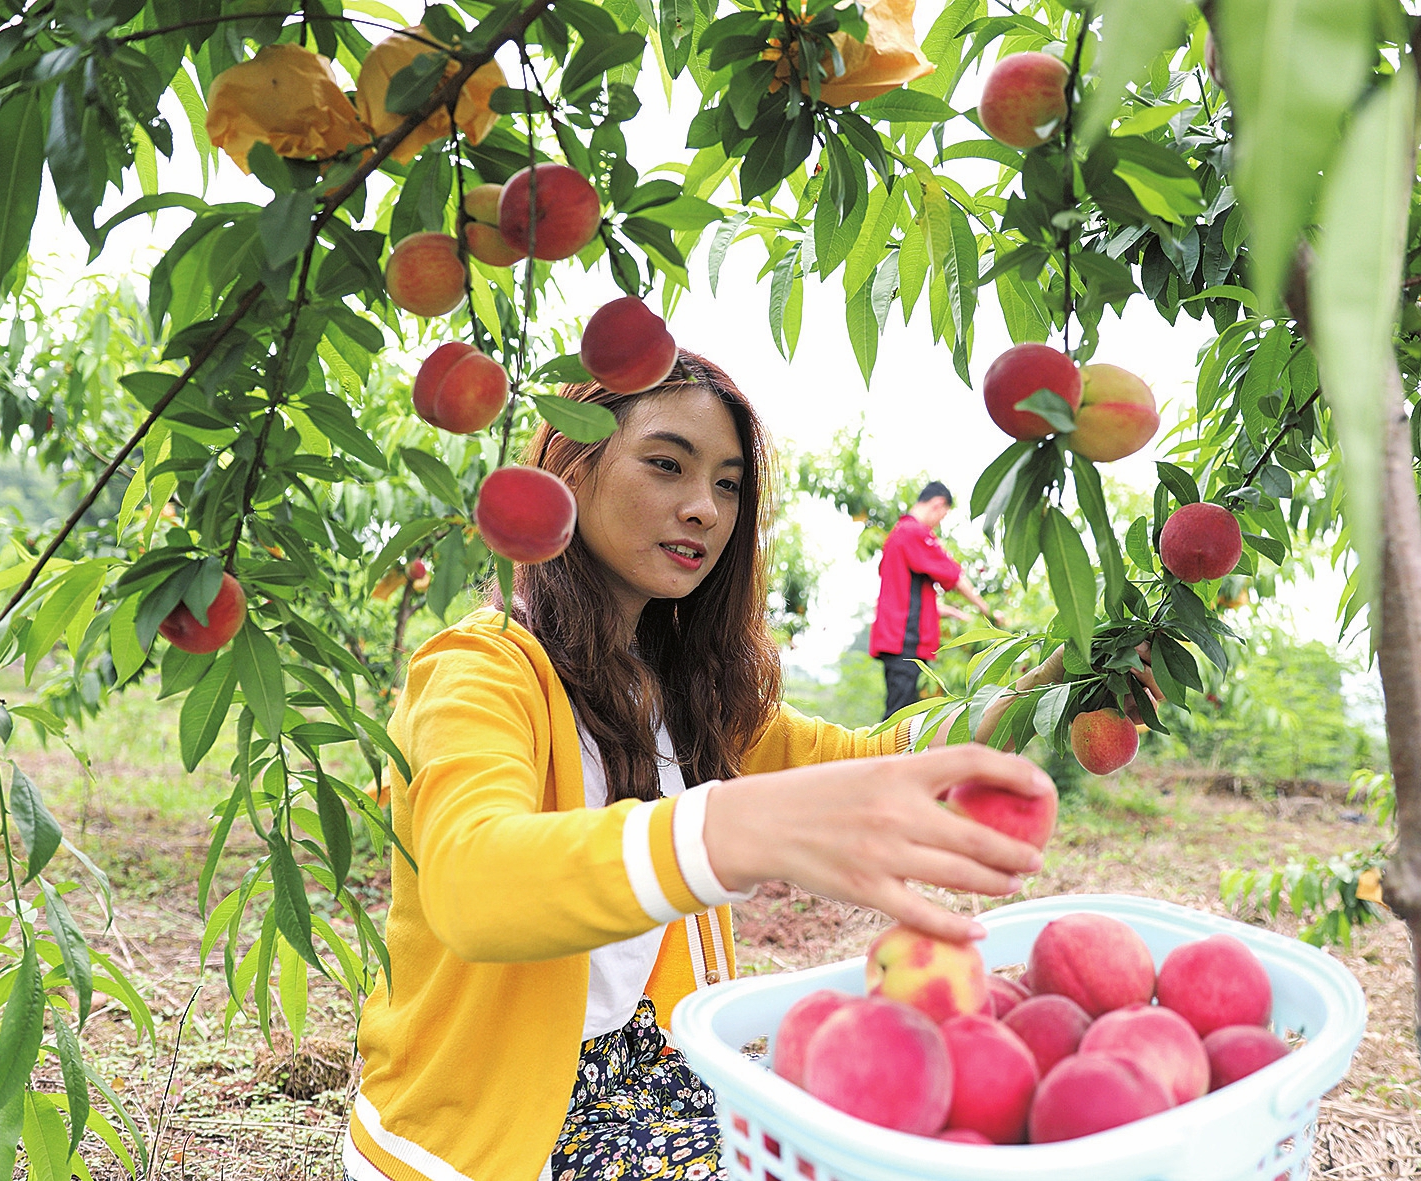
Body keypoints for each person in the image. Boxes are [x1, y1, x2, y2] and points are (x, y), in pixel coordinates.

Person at [342, 352, 1055, 1181]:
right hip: (494, 1125)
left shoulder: (676, 688)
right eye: (666, 463)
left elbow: (872, 759)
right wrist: (726, 831)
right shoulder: (481, 667)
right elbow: (473, 882)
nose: (702, 510)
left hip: (643, 1068)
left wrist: (1050, 692)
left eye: (726, 485)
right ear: (573, 465)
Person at [869, 482, 1000, 720]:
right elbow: (955, 576)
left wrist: (953, 612)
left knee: (902, 714)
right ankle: (877, 757)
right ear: (938, 504)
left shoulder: (898, 534)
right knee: (899, 719)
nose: (939, 522)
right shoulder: (914, 533)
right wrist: (989, 611)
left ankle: (887, 756)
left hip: (898, 640)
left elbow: (909, 597)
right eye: (943, 515)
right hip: (905, 642)